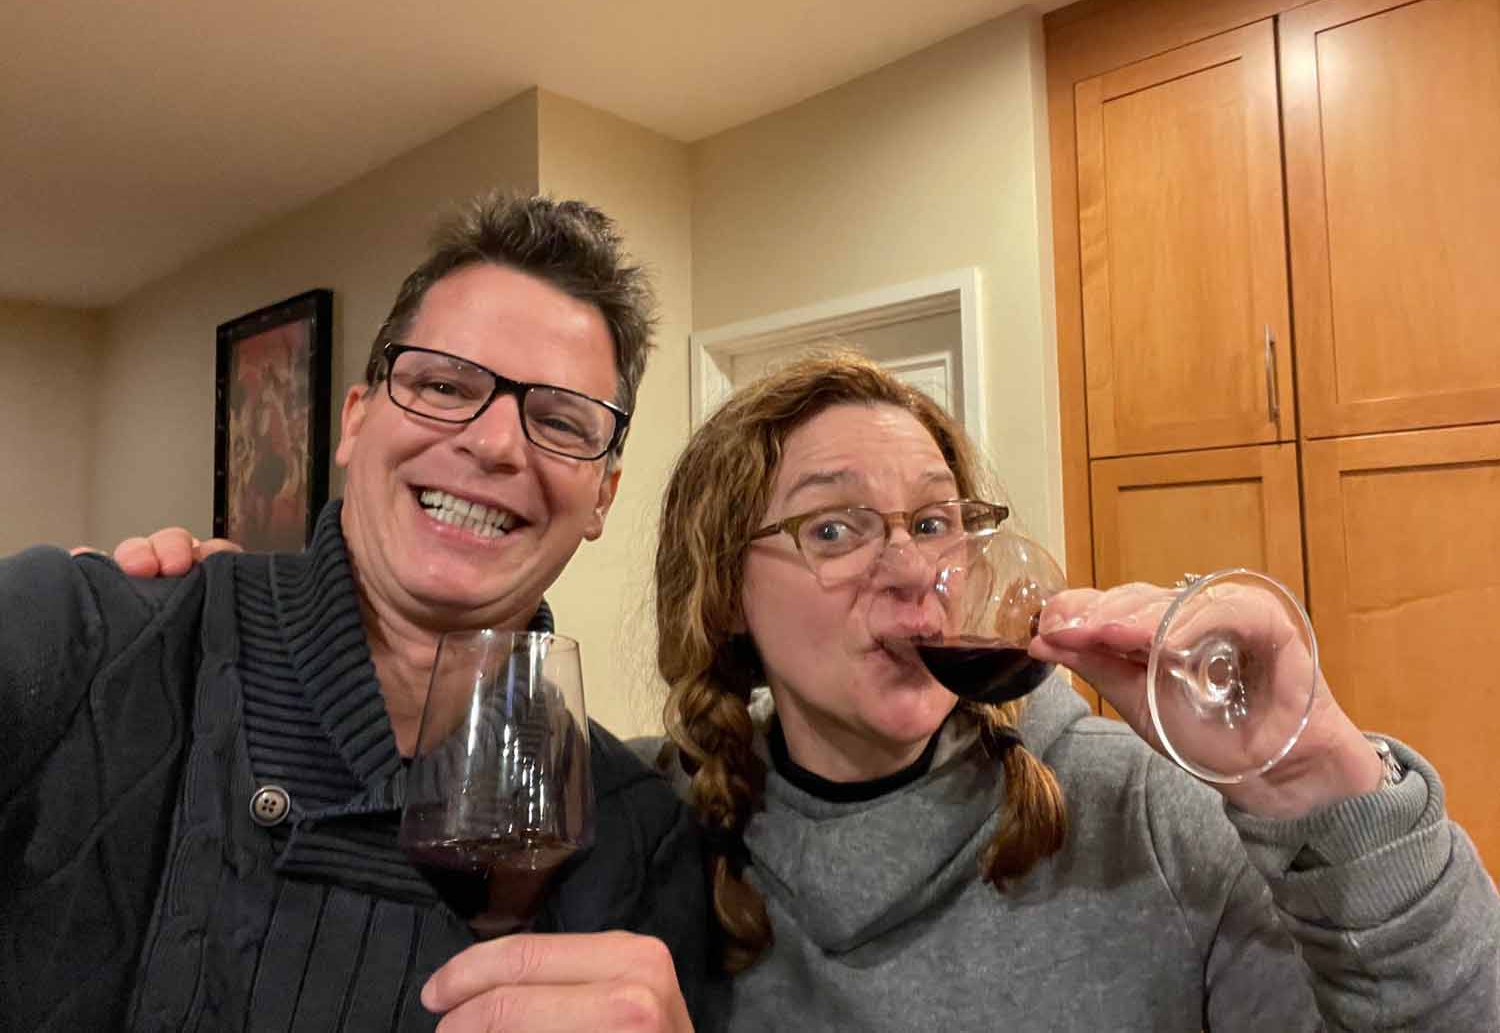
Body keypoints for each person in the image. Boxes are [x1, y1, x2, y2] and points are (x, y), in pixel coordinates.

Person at [1, 193, 715, 1032]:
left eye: (559, 421)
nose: (494, 444)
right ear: (354, 420)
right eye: (443, 384)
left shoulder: (640, 832)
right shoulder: (72, 635)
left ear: (602, 495)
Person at [649, 351, 1499, 1031]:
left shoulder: (1145, 808)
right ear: (725, 592)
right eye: (834, 527)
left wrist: (1318, 775)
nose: (910, 569)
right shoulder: (659, 831)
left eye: (935, 522)